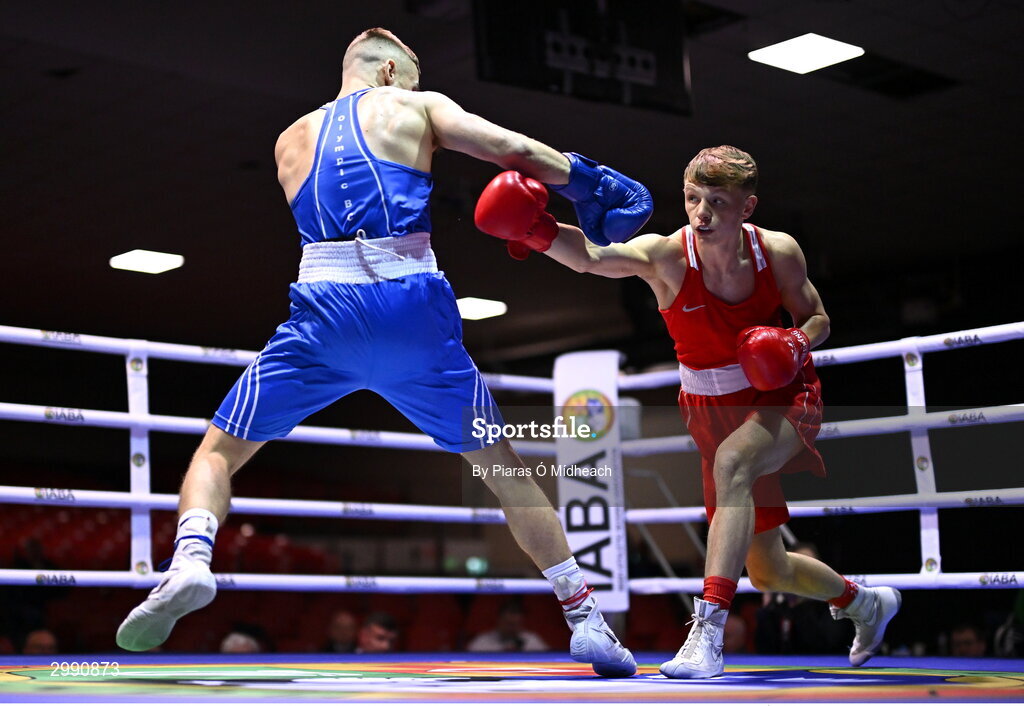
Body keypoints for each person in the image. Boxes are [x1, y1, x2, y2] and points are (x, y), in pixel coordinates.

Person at [115, 27, 652, 678]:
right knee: (503, 468)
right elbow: (508, 147)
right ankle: (585, 619)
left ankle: (192, 561)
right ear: (394, 72)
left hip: (324, 314)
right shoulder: (414, 107)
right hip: (410, 308)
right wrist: (586, 181)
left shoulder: (288, 140)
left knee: (218, 454)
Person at [474, 145, 901, 678]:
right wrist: (534, 229)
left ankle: (708, 635)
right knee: (768, 571)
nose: (701, 213)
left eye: (717, 202)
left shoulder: (779, 252)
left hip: (781, 393)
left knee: (733, 465)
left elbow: (816, 316)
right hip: (708, 410)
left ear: (747, 207)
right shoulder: (667, 256)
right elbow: (593, 258)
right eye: (693, 198)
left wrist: (794, 343)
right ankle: (865, 602)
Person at [755, 541, 853, 654]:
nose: (806, 572)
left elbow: (827, 647)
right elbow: (764, 650)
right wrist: (767, 609)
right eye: (801, 566)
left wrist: (803, 603)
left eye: (811, 565)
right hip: (785, 669)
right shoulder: (780, 603)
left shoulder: (832, 602)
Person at [467, 600, 549, 652]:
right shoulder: (482, 642)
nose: (511, 628)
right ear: (499, 620)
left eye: (514, 624)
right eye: (508, 623)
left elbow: (548, 662)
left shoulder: (533, 641)